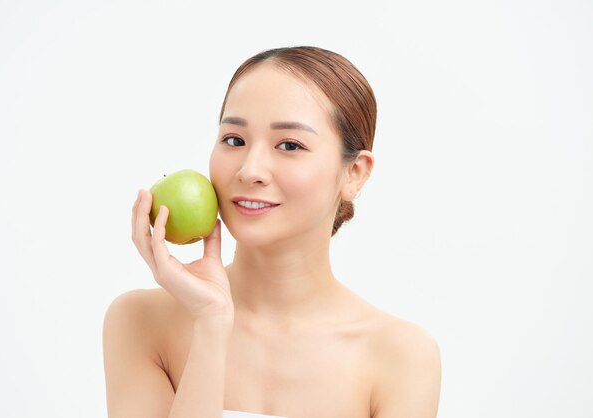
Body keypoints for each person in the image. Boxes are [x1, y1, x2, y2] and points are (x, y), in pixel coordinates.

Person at [103, 46, 441, 418]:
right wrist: (211, 324)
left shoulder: (401, 357)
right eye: (234, 140)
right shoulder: (141, 321)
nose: (250, 170)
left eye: (289, 145)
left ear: (354, 173)